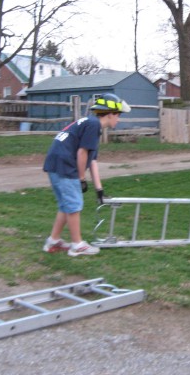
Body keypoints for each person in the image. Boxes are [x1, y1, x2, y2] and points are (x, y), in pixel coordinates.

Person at [42, 93, 131, 257]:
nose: (118, 120)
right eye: (118, 115)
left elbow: (92, 160)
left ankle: (53, 241)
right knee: (74, 205)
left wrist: (99, 189)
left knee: (66, 205)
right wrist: (81, 178)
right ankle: (77, 245)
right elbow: (82, 153)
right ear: (110, 113)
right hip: (65, 165)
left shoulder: (91, 123)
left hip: (55, 163)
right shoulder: (93, 125)